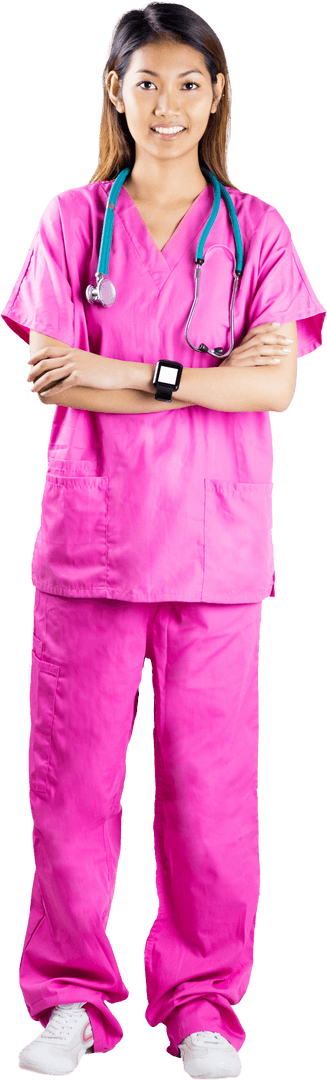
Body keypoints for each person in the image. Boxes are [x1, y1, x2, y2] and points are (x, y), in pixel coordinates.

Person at [1, 3, 325, 1078]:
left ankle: (200, 1005)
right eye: (148, 83)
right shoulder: (69, 222)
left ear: (219, 94)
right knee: (74, 790)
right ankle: (73, 1005)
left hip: (216, 559)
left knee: (213, 794)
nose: (169, 105)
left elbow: (275, 385)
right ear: (114, 92)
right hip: (91, 554)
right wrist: (202, 380)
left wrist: (134, 375)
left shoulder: (257, 231)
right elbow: (51, 371)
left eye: (191, 83)